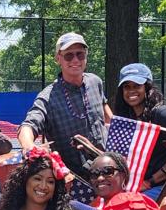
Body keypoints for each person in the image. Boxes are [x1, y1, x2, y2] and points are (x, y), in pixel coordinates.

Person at [19, 31, 112, 177]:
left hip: (107, 170)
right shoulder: (48, 98)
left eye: (80, 54)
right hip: (75, 179)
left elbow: (106, 112)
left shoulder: (95, 82)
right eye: (69, 55)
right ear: (58, 59)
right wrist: (29, 147)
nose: (75, 60)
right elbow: (28, 126)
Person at [110, 62, 166, 191]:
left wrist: (153, 180)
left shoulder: (162, 114)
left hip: (163, 185)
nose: (131, 91)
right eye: (127, 87)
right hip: (134, 185)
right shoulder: (126, 118)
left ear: (147, 88)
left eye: (137, 86)